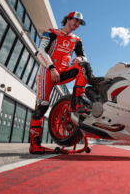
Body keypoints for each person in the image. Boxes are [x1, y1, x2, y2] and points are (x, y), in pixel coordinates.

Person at [30, 11, 91, 154]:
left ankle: (76, 104)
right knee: (42, 107)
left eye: (79, 23)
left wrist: (79, 59)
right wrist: (51, 68)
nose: (76, 24)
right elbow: (40, 52)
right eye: (75, 21)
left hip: (63, 73)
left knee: (84, 67)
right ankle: (34, 145)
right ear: (68, 19)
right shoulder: (50, 32)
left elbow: (83, 56)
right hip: (47, 71)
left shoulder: (76, 39)